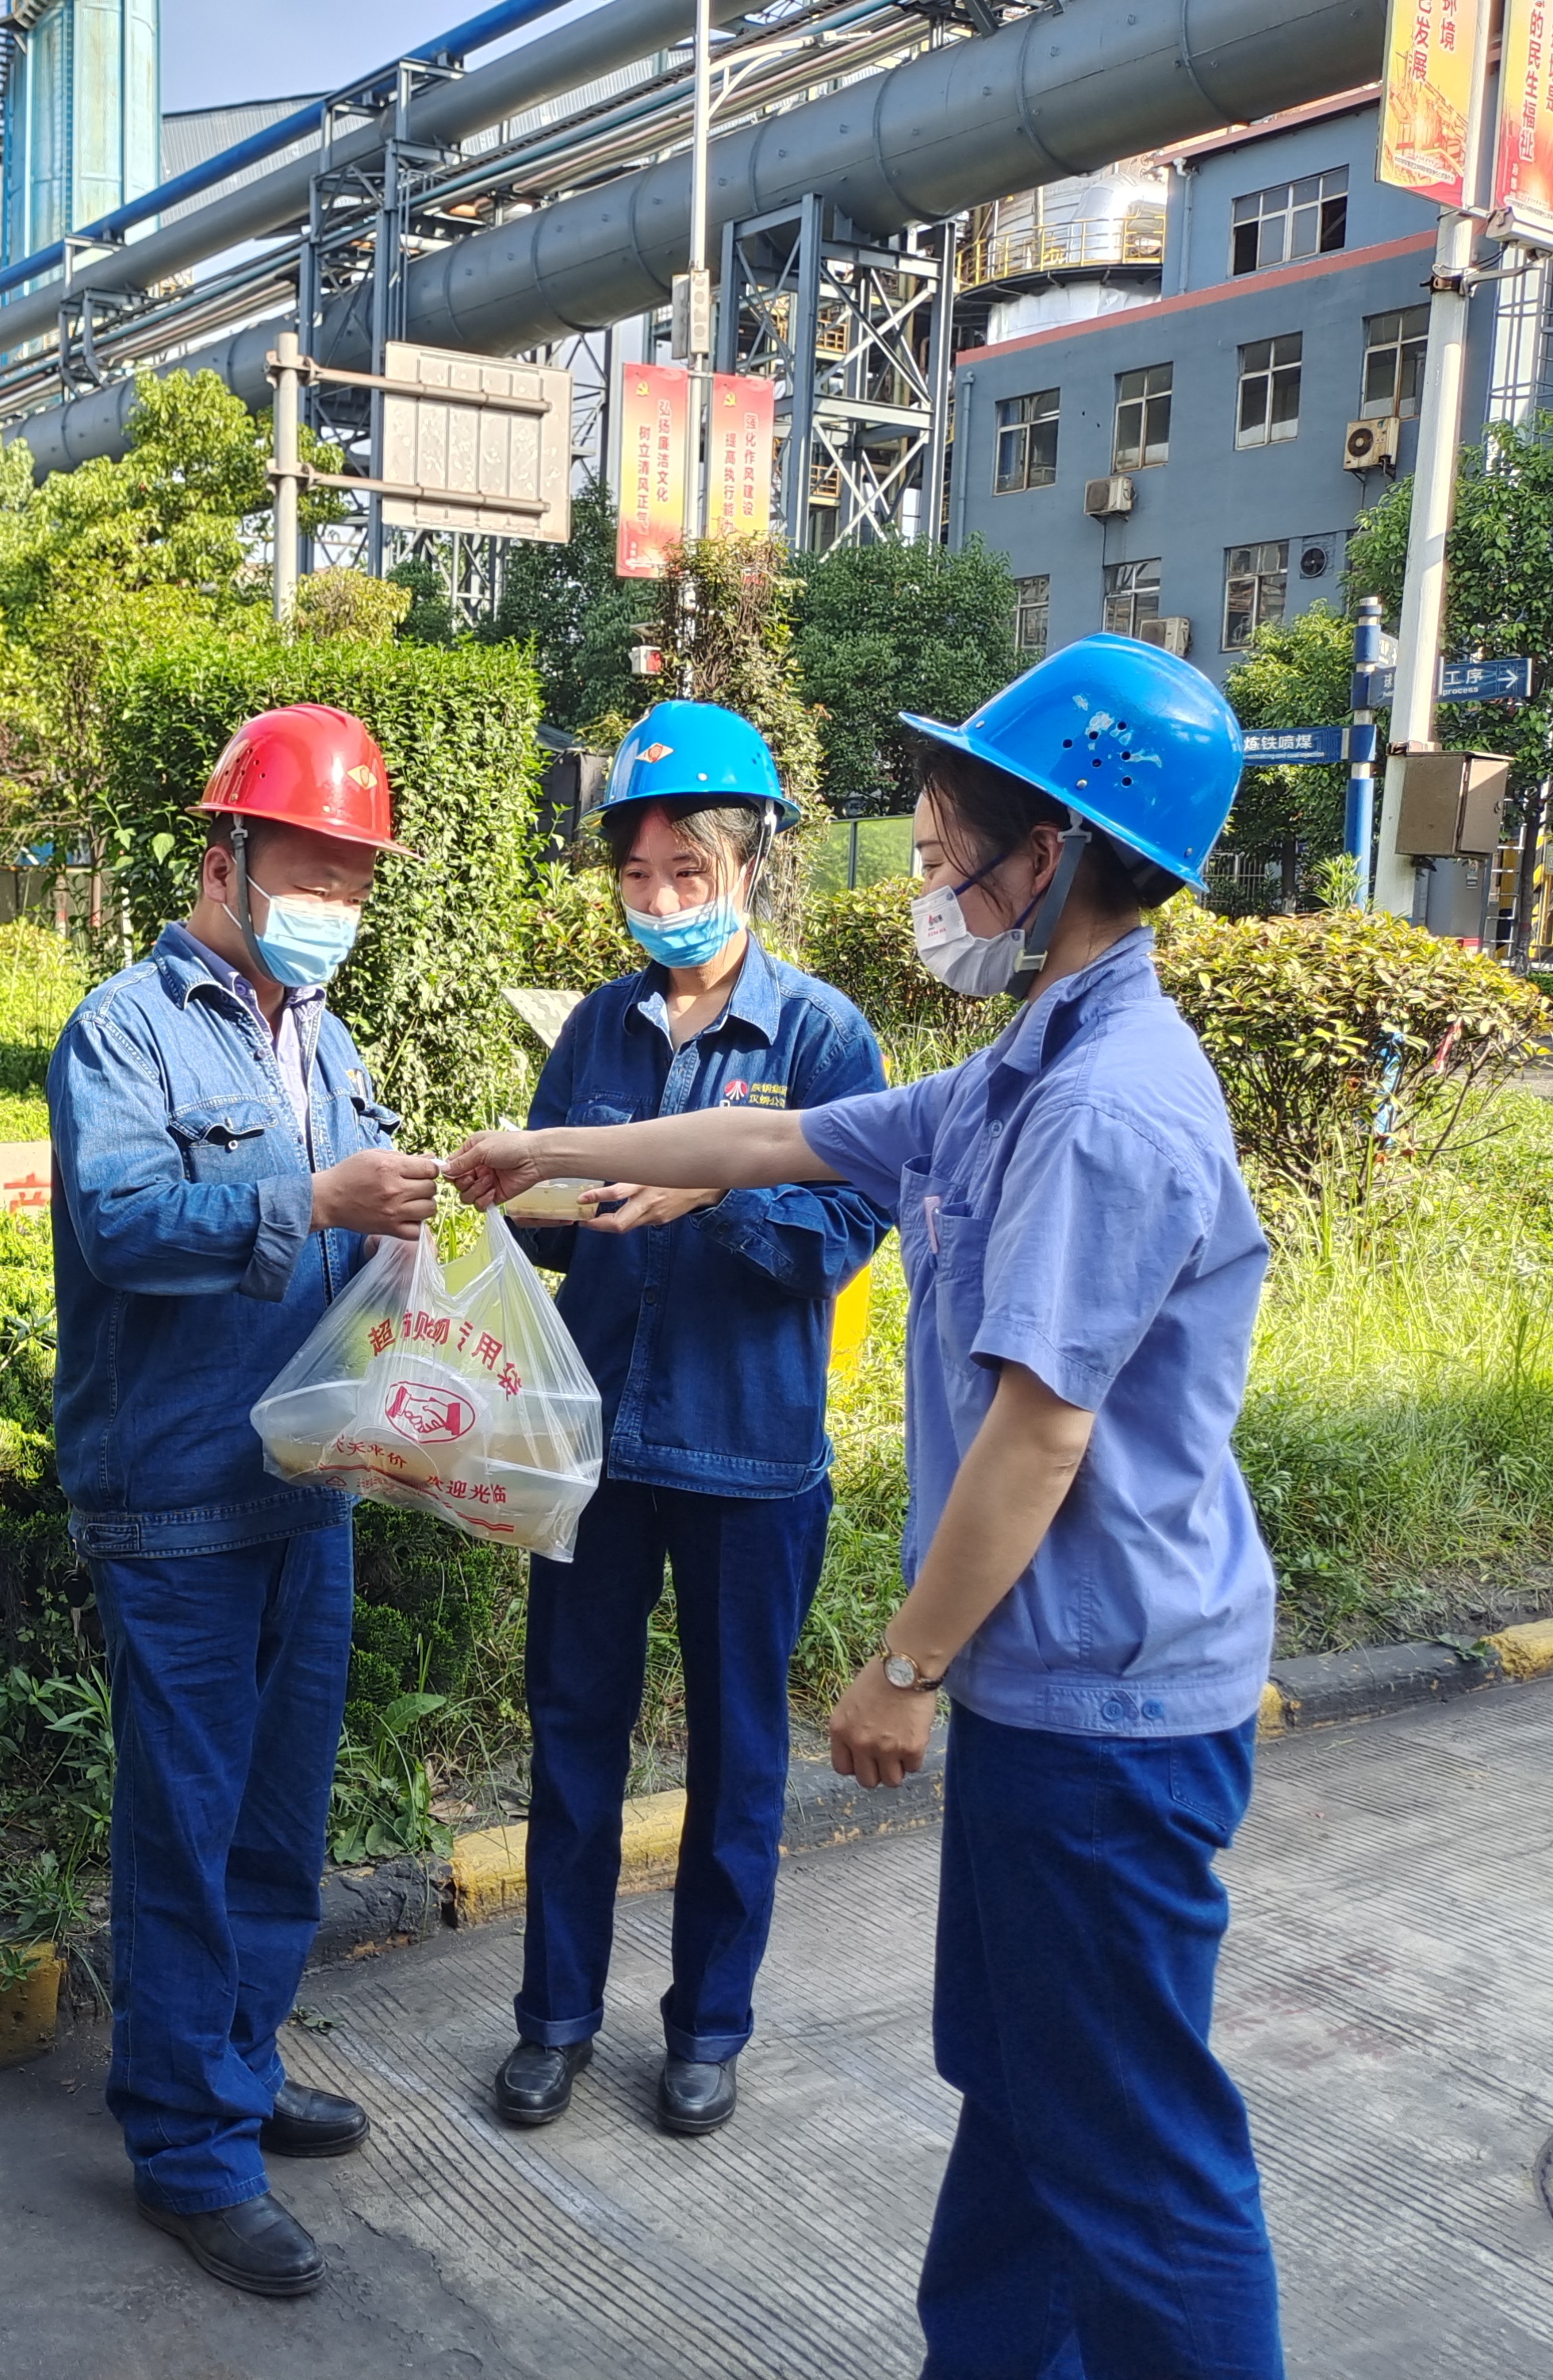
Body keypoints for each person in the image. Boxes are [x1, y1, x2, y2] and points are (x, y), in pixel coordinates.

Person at [447, 635, 1285, 2379]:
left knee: (1133, 2154)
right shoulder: (1021, 1064)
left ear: (1042, 853)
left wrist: (903, 1668)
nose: (921, 882)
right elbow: (774, 1145)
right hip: (1053, 1690)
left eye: (935, 850)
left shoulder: (1104, 1107)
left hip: (1109, 1699)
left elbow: (1039, 1437)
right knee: (1019, 2091)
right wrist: (541, 1159)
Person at [46, 703, 443, 2300]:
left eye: (356, 870)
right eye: (310, 861)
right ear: (224, 856)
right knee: (184, 1836)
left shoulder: (322, 1037)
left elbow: (345, 1226)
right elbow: (126, 1226)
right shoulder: (122, 1031)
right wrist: (314, 1197)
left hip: (306, 1489)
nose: (333, 895)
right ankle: (187, 2146)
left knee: (276, 1828)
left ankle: (239, 2062)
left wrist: (407, 1221)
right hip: (178, 1499)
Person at [485, 702, 888, 2141]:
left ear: (752, 863)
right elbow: (555, 1218)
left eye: (685, 873)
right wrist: (489, 1211)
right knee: (573, 1741)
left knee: (737, 1758)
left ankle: (709, 2027)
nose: (658, 903)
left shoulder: (828, 1034)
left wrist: (718, 1185)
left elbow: (848, 1228)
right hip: (591, 1460)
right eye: (635, 876)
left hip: (751, 1460)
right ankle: (555, 2023)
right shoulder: (598, 1025)